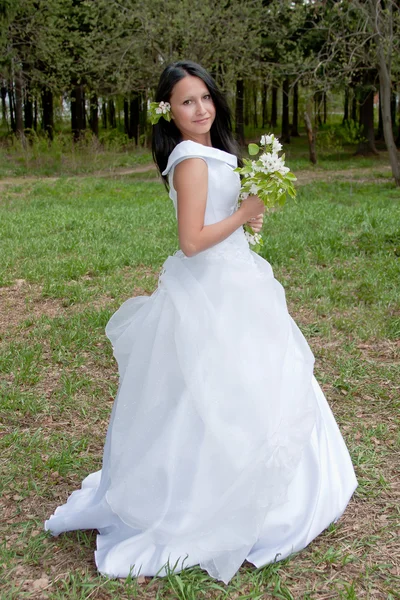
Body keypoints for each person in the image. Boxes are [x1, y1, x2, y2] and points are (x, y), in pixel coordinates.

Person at [45, 60, 357, 584]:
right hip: (211, 289)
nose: (201, 109)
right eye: (187, 101)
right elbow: (191, 242)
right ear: (169, 111)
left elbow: (218, 220)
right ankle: (213, 501)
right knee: (220, 393)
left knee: (246, 386)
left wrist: (246, 214)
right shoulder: (190, 160)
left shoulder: (211, 153)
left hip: (235, 280)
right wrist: (242, 212)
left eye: (205, 97)